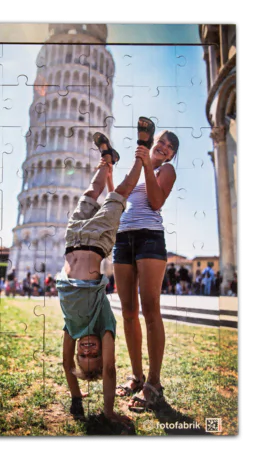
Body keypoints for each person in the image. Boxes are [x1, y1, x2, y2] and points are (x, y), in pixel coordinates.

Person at [56, 124, 148, 426]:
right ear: (102, 353)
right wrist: (108, 412)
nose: (87, 351)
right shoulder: (105, 325)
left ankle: (106, 160)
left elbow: (66, 364)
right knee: (118, 194)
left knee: (89, 193)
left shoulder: (73, 329)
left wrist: (76, 398)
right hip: (97, 241)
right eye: (93, 355)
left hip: (73, 238)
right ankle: (142, 151)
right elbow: (109, 370)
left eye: (82, 356)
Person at [113, 117, 180, 410]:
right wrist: (134, 162)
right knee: (128, 312)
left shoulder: (167, 170)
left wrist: (148, 167)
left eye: (170, 146)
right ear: (153, 142)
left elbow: (155, 202)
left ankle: (154, 383)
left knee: (150, 309)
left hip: (150, 238)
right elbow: (118, 195)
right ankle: (137, 376)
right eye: (161, 141)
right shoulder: (138, 165)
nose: (164, 146)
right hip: (122, 239)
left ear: (171, 155)